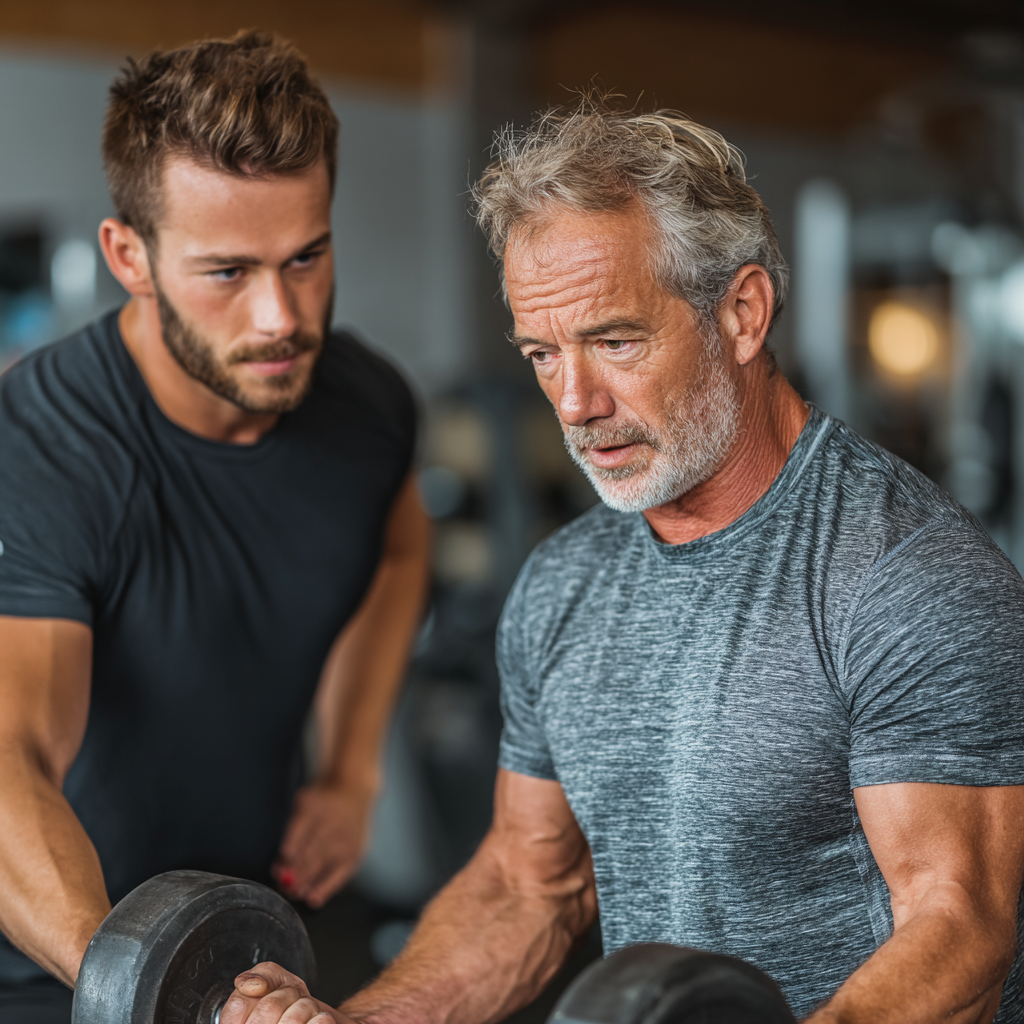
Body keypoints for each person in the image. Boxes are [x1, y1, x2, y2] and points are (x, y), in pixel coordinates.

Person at [227, 100, 1024, 1024]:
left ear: (741, 313)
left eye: (613, 341)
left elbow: (960, 929)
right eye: (542, 354)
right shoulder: (564, 583)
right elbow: (532, 886)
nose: (573, 402)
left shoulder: (906, 576)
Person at [0, 30, 430, 1023]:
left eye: (307, 257)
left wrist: (349, 765)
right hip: (44, 957)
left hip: (242, 943)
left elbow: (398, 545)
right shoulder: (43, 444)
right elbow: (11, 755)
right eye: (227, 271)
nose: (281, 315)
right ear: (129, 257)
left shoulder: (368, 409)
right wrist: (141, 980)